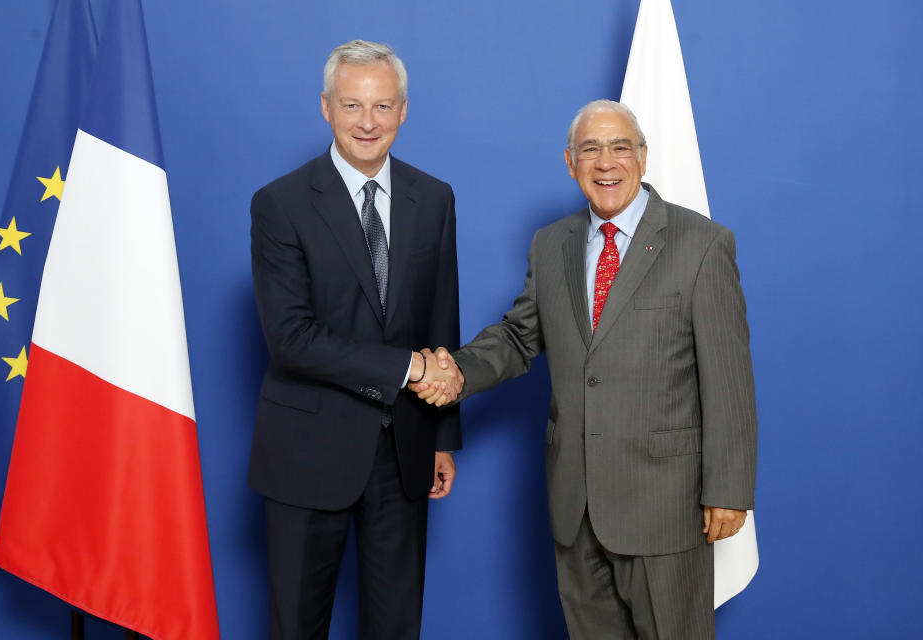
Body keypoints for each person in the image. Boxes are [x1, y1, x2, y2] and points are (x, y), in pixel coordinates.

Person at [414, 100, 757, 639]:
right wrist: (454, 371)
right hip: (575, 505)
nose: (606, 162)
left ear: (643, 157)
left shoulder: (702, 244)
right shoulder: (552, 244)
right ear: (570, 163)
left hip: (667, 507)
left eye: (620, 147)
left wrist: (729, 489)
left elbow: (730, 378)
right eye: (590, 149)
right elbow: (519, 336)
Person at [248, 40, 463, 640]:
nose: (368, 123)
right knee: (298, 627)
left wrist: (442, 435)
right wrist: (410, 371)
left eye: (382, 107)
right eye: (352, 106)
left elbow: (440, 321)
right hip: (306, 450)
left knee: (397, 627)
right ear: (325, 109)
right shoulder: (280, 204)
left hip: (404, 451)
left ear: (403, 111)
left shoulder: (434, 197)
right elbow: (291, 338)